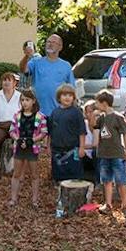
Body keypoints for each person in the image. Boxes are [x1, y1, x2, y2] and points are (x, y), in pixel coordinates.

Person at [46, 85, 90, 218]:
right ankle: (61, 201)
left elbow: (82, 132)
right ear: (59, 97)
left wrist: (82, 147)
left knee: (74, 176)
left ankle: (77, 204)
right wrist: (48, 146)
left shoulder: (76, 112)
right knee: (59, 176)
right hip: (57, 150)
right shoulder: (54, 113)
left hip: (73, 150)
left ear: (73, 98)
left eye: (70, 95)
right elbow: (50, 132)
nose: (67, 97)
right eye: (64, 95)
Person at [90, 91, 126, 215]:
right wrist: (92, 115)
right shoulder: (101, 118)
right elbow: (94, 127)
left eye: (97, 103)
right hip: (104, 154)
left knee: (121, 181)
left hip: (117, 153)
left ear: (104, 103)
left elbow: (125, 133)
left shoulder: (118, 117)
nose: (96, 105)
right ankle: (108, 204)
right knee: (106, 180)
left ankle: (124, 204)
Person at [8, 92, 47, 208]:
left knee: (34, 174)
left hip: (32, 148)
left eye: (27, 100)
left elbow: (44, 132)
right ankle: (13, 198)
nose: (24, 103)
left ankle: (35, 199)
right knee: (16, 174)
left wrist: (33, 140)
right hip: (19, 148)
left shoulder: (40, 116)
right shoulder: (17, 116)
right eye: (23, 100)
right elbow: (12, 130)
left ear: (33, 101)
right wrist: (17, 139)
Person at [23, 35, 74, 117]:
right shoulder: (36, 62)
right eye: (48, 42)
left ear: (60, 47)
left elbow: (71, 89)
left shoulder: (66, 65)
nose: (50, 44)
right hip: (37, 112)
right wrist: (26, 56)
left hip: (58, 113)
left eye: (53, 42)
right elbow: (23, 70)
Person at [0, 71, 23, 175]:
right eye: (4, 80)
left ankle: (14, 169)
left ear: (14, 83)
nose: (6, 82)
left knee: (20, 142)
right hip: (1, 127)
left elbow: (24, 113)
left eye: (9, 80)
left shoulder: (20, 96)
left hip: (16, 127)